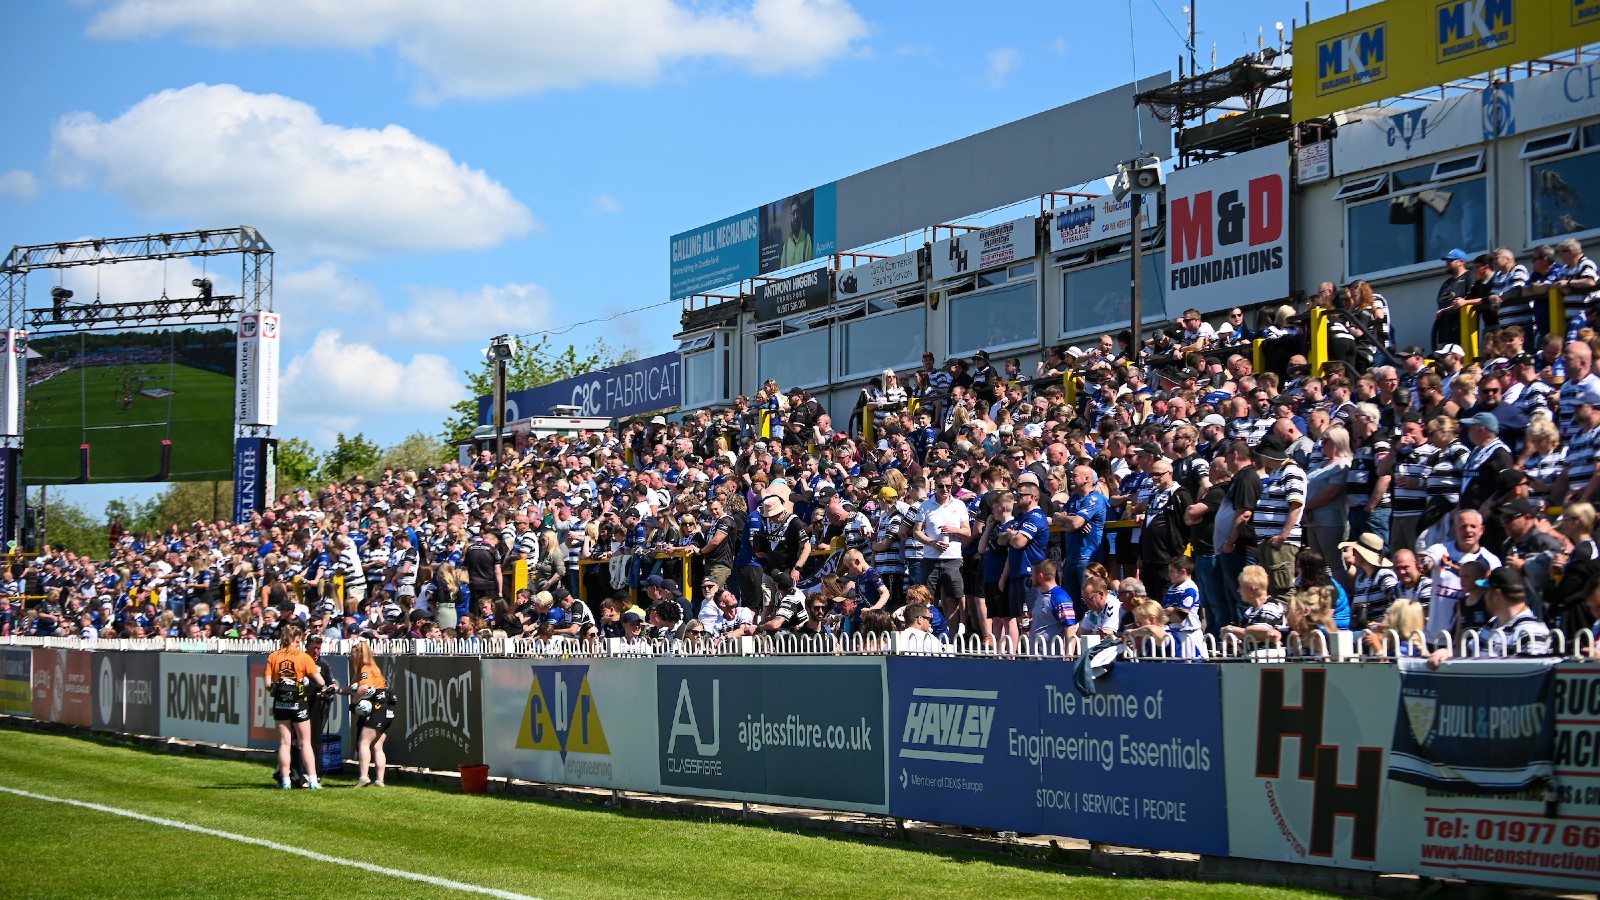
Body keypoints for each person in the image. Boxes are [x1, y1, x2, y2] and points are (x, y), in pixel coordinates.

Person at [1427, 567, 1553, 667]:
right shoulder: (1494, 623)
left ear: (1497, 595)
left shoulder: (1531, 630)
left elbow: (1532, 674)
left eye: (1487, 590)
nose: (1484, 596)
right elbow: (1469, 651)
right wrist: (1447, 652)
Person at [266, 624, 326, 790]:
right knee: (305, 742)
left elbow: (268, 684)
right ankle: (313, 780)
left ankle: (285, 781)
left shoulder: (273, 656)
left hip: (280, 703)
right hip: (298, 703)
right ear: (298, 639)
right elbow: (320, 682)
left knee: (284, 743)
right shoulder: (303, 657)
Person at [340, 640, 396, 788]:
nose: (351, 657)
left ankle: (364, 777)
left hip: (376, 710)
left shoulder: (365, 668)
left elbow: (363, 688)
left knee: (363, 743)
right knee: (377, 746)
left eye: (353, 654)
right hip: (386, 711)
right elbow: (352, 689)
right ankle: (379, 780)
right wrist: (337, 689)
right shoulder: (373, 668)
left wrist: (354, 703)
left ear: (359, 654)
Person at [1027, 559, 1077, 647]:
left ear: (1040, 576)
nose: (1031, 578)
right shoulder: (1041, 596)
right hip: (1035, 654)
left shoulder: (1060, 597)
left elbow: (1070, 628)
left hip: (1052, 654)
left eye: (1032, 574)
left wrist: (1068, 654)